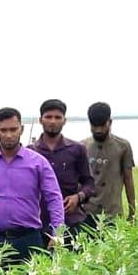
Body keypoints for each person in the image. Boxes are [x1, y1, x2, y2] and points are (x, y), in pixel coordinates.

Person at [0, 107, 64, 263]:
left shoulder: (38, 163)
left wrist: (58, 233)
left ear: (22, 129)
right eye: (3, 130)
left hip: (29, 239)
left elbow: (54, 198)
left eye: (13, 129)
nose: (8, 135)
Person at [29, 99, 95, 246]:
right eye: (48, 117)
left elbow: (89, 183)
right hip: (38, 223)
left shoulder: (77, 149)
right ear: (41, 120)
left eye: (58, 117)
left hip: (71, 220)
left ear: (64, 120)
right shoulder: (30, 152)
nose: (53, 121)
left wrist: (78, 197)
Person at [83, 102, 136, 226]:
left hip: (112, 213)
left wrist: (132, 212)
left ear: (110, 122)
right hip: (86, 213)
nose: (98, 130)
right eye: (94, 126)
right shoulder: (82, 147)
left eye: (102, 125)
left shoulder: (123, 146)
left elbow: (128, 179)